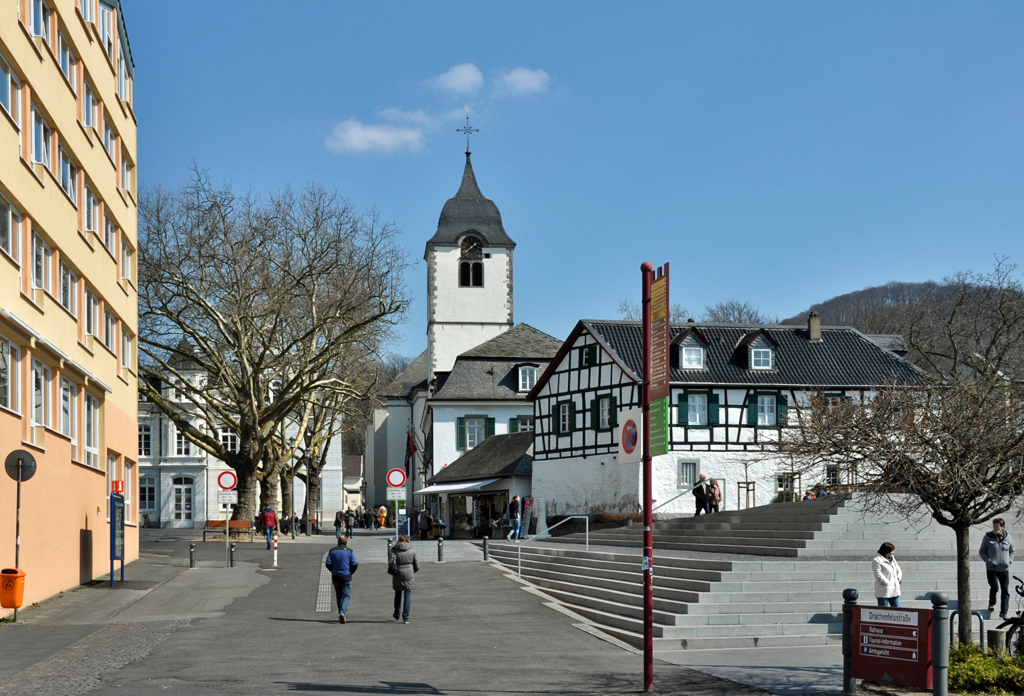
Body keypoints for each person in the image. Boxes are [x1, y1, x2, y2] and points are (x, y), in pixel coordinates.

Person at [980, 518, 1015, 619]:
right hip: (992, 569)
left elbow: (1012, 551)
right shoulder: (987, 537)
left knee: (1005, 591)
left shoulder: (1008, 537)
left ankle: (1004, 612)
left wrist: (1010, 560)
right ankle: (992, 603)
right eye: (994, 526)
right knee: (994, 587)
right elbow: (982, 551)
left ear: (1002, 527)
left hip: (1004, 569)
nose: (995, 528)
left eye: (997, 526)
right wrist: (988, 560)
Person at [325, 536, 358, 623]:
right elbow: (355, 564)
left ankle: (341, 612)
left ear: (338, 541)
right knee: (346, 595)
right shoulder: (350, 551)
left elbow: (328, 563)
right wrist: (350, 572)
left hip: (336, 575)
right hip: (346, 575)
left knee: (338, 595)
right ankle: (342, 613)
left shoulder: (332, 551)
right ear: (346, 542)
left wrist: (332, 570)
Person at [389, 535, 420, 623]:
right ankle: (406, 616)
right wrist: (412, 571)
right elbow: (417, 566)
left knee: (398, 594)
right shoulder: (412, 551)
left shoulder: (394, 550)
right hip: (409, 574)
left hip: (398, 573)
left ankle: (397, 613)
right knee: (407, 595)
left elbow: (390, 563)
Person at [872, 542, 902, 607]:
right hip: (884, 590)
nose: (893, 552)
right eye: (892, 551)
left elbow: (898, 569)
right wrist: (886, 582)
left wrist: (898, 578)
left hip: (895, 590)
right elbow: (878, 574)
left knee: (898, 611)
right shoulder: (877, 560)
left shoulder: (892, 558)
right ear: (886, 551)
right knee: (883, 612)